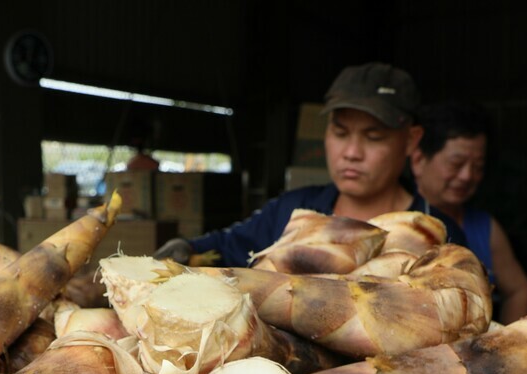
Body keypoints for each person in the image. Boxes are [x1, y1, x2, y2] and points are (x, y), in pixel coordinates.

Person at [155, 62, 466, 267]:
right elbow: (227, 246)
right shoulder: (294, 210)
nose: (352, 152)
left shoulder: (437, 232)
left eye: (373, 137)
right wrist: (185, 247)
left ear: (411, 141)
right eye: (340, 133)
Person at [411, 100, 527, 323]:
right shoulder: (399, 221)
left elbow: (519, 289)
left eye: (477, 166)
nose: (467, 176)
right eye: (456, 164)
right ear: (418, 160)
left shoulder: (485, 228)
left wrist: (504, 342)